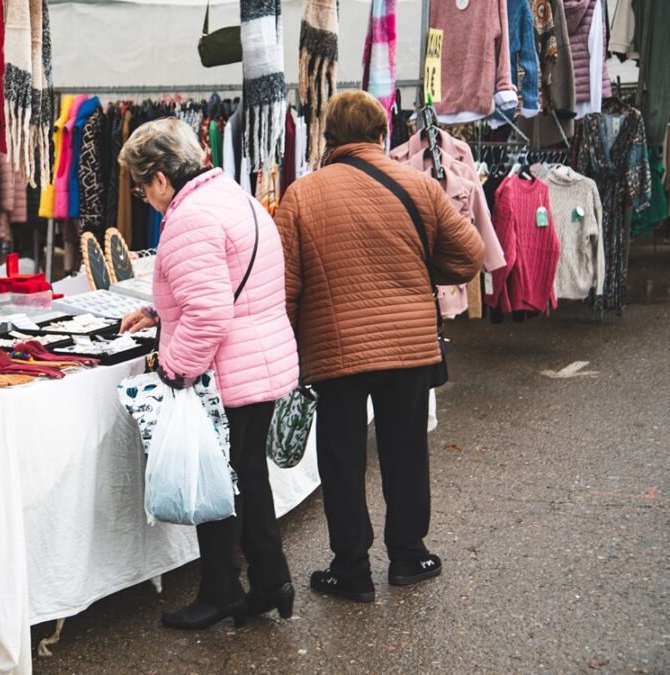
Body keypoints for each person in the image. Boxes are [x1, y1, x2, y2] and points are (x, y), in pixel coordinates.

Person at [274, 90, 484, 603]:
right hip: (409, 347)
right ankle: (410, 557)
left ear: (328, 138)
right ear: (380, 134)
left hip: (335, 350)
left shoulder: (301, 195)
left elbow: (284, 287)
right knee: (405, 451)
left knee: (342, 460)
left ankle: (351, 570)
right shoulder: (419, 186)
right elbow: (470, 256)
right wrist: (419, 269)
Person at [118, 118, 299, 629]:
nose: (143, 198)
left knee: (217, 484)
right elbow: (223, 285)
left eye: (140, 186)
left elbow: (210, 314)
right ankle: (270, 580)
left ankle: (222, 590)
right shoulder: (230, 195)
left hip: (227, 374)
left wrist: (173, 371)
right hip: (260, 363)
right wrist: (159, 313)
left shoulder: (189, 217)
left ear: (158, 177)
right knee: (246, 479)